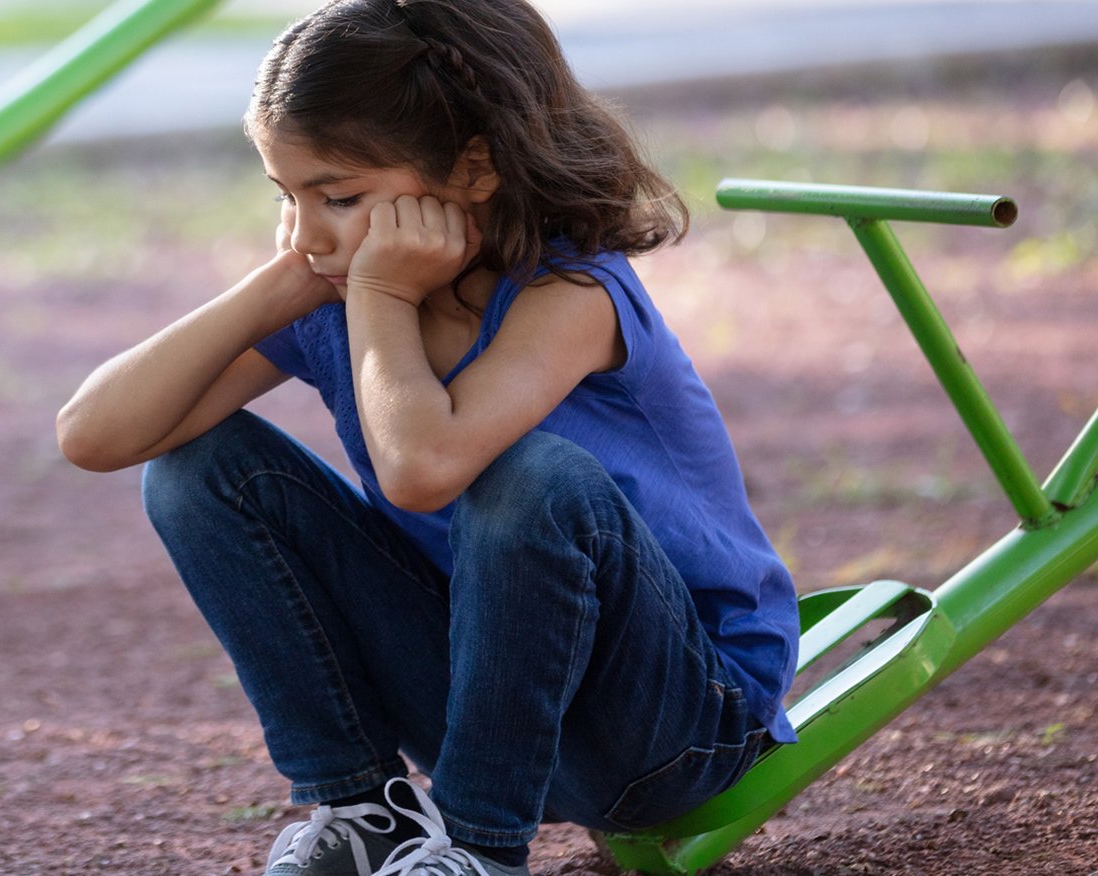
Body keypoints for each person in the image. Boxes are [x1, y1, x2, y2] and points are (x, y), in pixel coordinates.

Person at [53, 1, 801, 873]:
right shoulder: (331, 285)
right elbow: (93, 435)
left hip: (675, 726)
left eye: (338, 196)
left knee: (533, 479)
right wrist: (274, 289)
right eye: (284, 197)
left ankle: (482, 851)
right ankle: (366, 810)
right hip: (493, 707)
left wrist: (377, 299)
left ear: (473, 168)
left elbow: (423, 468)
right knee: (196, 467)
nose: (306, 232)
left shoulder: (570, 293)